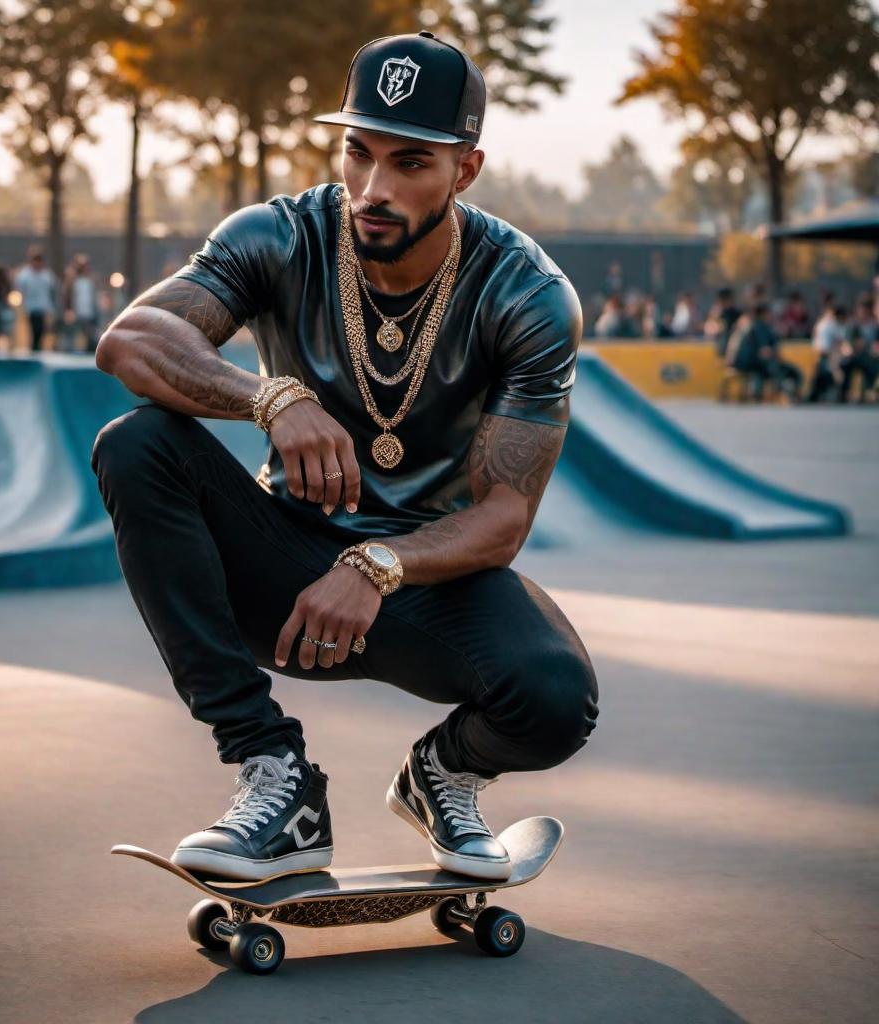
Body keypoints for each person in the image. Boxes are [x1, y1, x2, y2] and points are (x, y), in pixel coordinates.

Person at [91, 31, 598, 885]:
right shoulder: (281, 236)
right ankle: (273, 774)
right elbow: (130, 339)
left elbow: (504, 518)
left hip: (426, 586)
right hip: (281, 572)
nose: (374, 188)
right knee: (137, 444)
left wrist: (378, 565)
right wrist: (271, 397)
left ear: (465, 171)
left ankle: (441, 778)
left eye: (410, 164)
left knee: (555, 700)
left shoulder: (527, 296)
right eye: (358, 153)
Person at [725, 303, 802, 402]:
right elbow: (764, 351)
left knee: (769, 370)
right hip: (754, 364)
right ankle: (788, 392)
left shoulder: (750, 326)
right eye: (769, 313)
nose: (771, 315)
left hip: (746, 363)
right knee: (787, 371)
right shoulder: (760, 327)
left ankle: (763, 393)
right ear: (763, 314)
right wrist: (777, 356)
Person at [14, 246, 56, 352]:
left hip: (43, 309)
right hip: (31, 309)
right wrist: (22, 308)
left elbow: (51, 292)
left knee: (42, 333)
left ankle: (38, 350)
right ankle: (34, 350)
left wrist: (51, 310)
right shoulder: (25, 275)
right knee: (34, 332)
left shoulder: (47, 275)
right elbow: (20, 291)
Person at [838, 295, 878, 403]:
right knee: (845, 364)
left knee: (872, 366)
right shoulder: (852, 325)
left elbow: (875, 344)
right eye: (860, 309)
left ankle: (869, 392)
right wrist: (849, 349)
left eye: (865, 310)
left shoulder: (874, 326)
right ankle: (844, 393)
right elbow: (846, 343)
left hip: (868, 356)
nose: (862, 312)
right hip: (854, 356)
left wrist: (874, 349)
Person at [59, 252, 101, 353]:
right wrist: (68, 310)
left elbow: (95, 298)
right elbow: (66, 297)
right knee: (71, 338)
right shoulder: (72, 281)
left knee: (92, 338)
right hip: (75, 315)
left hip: (89, 314)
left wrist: (96, 312)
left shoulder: (91, 281)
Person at [807, 304, 849, 403]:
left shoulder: (836, 326)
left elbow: (841, 343)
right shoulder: (826, 326)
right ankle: (817, 396)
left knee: (847, 365)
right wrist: (835, 367)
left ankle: (839, 395)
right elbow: (824, 350)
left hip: (832, 356)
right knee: (826, 371)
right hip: (822, 356)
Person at [704, 287, 742, 357]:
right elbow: (710, 330)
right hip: (722, 348)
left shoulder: (735, 313)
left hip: (732, 350)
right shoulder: (717, 314)